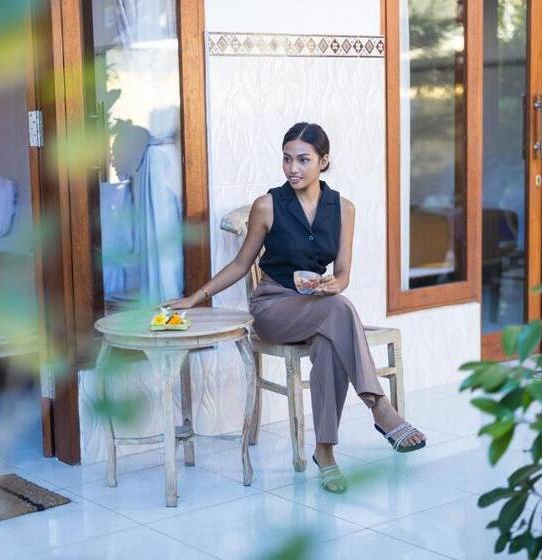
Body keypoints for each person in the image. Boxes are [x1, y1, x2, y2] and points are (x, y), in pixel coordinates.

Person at [164, 122, 426, 494]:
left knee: (330, 344)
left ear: (324, 161)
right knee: (340, 309)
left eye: (303, 159)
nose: (292, 168)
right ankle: (378, 405)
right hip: (273, 307)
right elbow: (241, 264)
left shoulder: (344, 209)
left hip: (317, 306)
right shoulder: (268, 205)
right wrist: (196, 296)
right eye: (287, 159)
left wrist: (335, 283)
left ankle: (325, 454)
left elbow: (343, 272)